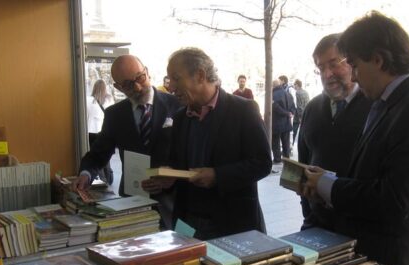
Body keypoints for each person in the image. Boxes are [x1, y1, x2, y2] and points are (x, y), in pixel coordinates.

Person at [301, 11, 409, 265]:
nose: (354, 76)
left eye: (354, 65)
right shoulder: (389, 102)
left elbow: (393, 200)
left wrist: (328, 185)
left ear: (379, 59)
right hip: (372, 256)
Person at [165, 47, 272, 240]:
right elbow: (179, 165)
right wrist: (167, 178)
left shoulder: (244, 110)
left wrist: (218, 176)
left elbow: (263, 163)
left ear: (200, 75)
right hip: (187, 223)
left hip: (233, 225)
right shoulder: (180, 118)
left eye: (176, 78)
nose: (170, 87)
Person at [73, 55, 181, 228]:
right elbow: (98, 155)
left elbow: (192, 155)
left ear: (147, 72)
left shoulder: (178, 106)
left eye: (140, 78)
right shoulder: (115, 115)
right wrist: (85, 175)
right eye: (128, 84)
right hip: (131, 206)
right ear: (118, 87)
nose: (137, 87)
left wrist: (174, 175)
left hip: (173, 204)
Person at [297, 33, 372, 229]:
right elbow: (304, 163)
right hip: (316, 224)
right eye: (321, 68)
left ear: (352, 62)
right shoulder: (312, 108)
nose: (327, 74)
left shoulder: (374, 106)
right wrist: (308, 212)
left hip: (359, 227)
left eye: (333, 64)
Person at [86, 79, 115, 184]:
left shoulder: (88, 100)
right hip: (103, 132)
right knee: (106, 159)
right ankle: (109, 178)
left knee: (96, 157)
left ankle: (102, 179)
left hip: (90, 133)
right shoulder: (109, 100)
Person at [272, 79, 295, 163]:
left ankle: (277, 159)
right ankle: (287, 158)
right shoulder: (288, 94)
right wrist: (290, 113)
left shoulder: (272, 94)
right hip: (286, 122)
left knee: (275, 143)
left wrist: (285, 113)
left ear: (273, 86)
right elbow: (293, 106)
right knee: (286, 142)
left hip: (276, 123)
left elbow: (275, 107)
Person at [292, 79, 310, 146]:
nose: (294, 86)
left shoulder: (298, 93)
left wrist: (300, 116)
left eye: (294, 84)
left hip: (299, 115)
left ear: (297, 85)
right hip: (306, 113)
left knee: (295, 130)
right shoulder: (305, 92)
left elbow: (299, 106)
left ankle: (292, 146)